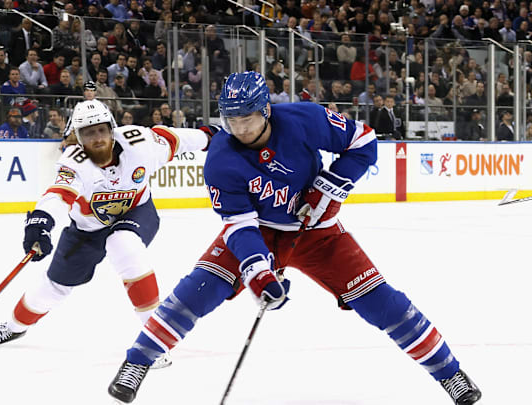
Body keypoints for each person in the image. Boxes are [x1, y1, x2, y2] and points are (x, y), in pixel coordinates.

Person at [107, 72, 482, 405]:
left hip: (316, 233)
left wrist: (332, 185)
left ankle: (450, 373)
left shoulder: (304, 118)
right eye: (231, 119)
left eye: (247, 118)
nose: (239, 128)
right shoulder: (221, 157)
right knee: (194, 292)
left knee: (383, 304)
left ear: (266, 110)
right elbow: (239, 226)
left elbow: (364, 141)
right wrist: (260, 274)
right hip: (260, 232)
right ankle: (136, 364)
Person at [0, 99, 211, 373]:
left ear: (112, 128)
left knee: (124, 245)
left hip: (136, 214)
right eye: (88, 133)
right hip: (86, 231)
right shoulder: (74, 163)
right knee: (52, 288)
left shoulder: (142, 144)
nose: (97, 139)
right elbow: (58, 195)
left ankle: (152, 343)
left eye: (101, 130)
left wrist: (213, 136)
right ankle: (15, 327)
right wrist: (40, 223)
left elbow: (180, 139)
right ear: (77, 137)